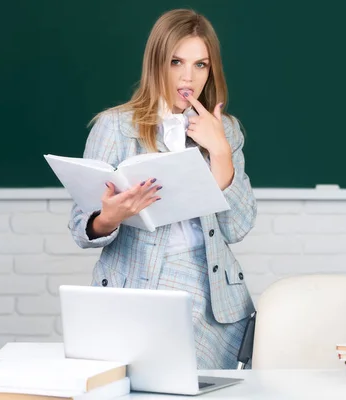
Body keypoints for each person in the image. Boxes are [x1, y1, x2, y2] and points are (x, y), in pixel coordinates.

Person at [68, 8, 257, 370]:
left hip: (213, 298)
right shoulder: (114, 127)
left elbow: (238, 227)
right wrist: (108, 218)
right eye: (176, 62)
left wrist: (219, 152)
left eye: (201, 65)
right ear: (157, 63)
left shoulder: (225, 130)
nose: (189, 76)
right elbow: (81, 227)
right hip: (139, 288)